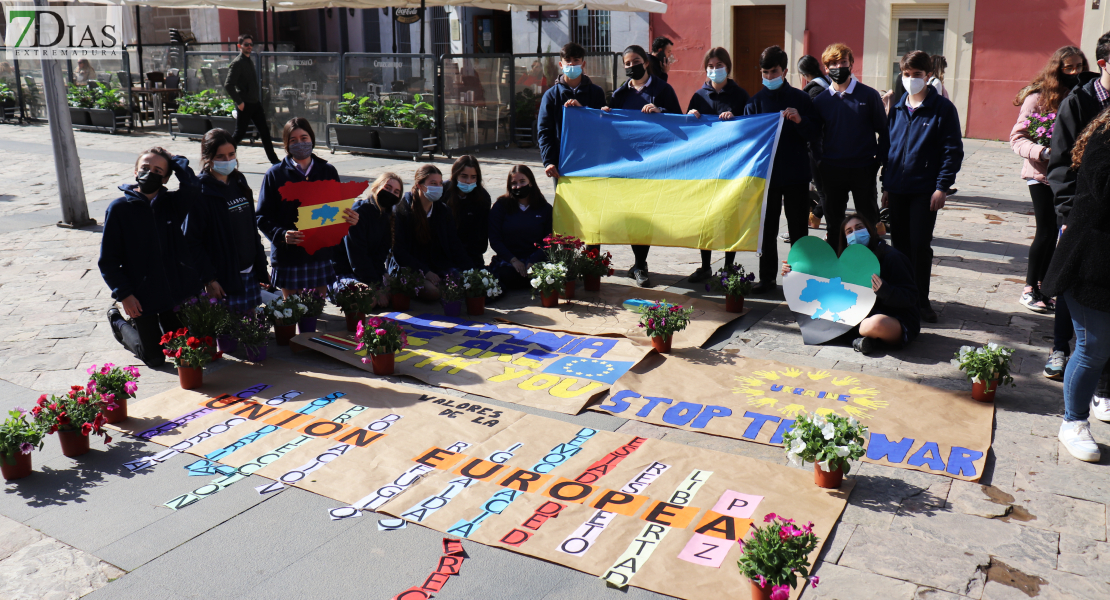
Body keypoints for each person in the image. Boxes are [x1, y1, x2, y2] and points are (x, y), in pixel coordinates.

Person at [1041, 110, 1110, 462]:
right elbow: (1102, 196)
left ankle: (1101, 397)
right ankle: (1073, 422)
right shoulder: (1105, 138)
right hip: (1090, 262)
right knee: (1092, 346)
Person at [1048, 31, 1110, 411]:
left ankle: (1104, 389)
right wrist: (1069, 216)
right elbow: (1061, 166)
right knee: (1078, 302)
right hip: (1082, 221)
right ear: (1104, 64)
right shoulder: (1080, 102)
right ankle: (1059, 348)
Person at [882, 50, 963, 324]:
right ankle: (902, 298)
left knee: (919, 246)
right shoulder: (896, 108)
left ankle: (921, 301)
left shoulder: (942, 109)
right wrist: (885, 186)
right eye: (906, 75)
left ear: (928, 76)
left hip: (924, 191)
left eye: (917, 75)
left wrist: (942, 187)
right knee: (899, 247)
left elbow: (952, 151)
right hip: (896, 189)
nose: (911, 79)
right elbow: (889, 150)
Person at [100, 148, 199, 367]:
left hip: (174, 293)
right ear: (135, 171)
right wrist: (125, 294)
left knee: (183, 351)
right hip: (142, 296)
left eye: (157, 170)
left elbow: (192, 186)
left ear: (165, 177)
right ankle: (119, 323)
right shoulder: (119, 209)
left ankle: (154, 327)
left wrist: (176, 159)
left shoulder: (172, 204)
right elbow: (108, 260)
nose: (149, 173)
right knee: (154, 358)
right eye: (145, 167)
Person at [1011, 47, 1087, 320]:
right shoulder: (1038, 99)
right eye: (1068, 67)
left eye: (1079, 66)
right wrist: (1044, 152)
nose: (1075, 72)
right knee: (1045, 230)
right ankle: (1030, 288)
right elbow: (1017, 139)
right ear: (1057, 69)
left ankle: (1045, 287)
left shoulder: (1080, 97)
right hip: (1041, 174)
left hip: (1068, 176)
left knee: (1058, 232)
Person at [782, 213, 918, 355]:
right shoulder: (848, 262)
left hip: (897, 319)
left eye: (859, 228)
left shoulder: (892, 257)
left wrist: (886, 291)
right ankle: (857, 340)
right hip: (861, 316)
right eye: (849, 231)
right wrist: (791, 271)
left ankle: (856, 338)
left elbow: (911, 297)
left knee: (872, 324)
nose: (855, 234)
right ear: (846, 239)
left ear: (870, 230)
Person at [604, 44, 683, 287]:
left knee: (646, 215)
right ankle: (639, 263)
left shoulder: (663, 89)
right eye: (627, 63)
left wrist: (661, 111)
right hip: (628, 165)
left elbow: (679, 121)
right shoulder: (619, 95)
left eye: (635, 61)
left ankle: (640, 264)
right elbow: (611, 130)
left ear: (646, 62)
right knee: (632, 215)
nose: (631, 66)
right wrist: (605, 115)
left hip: (654, 164)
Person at [743, 45, 819, 294]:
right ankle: (767, 279)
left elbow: (815, 134)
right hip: (767, 179)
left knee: (799, 229)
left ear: (785, 71)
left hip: (796, 175)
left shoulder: (802, 99)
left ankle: (800, 278)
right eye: (764, 72)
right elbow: (747, 140)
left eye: (774, 71)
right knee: (767, 231)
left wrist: (800, 120)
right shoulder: (755, 103)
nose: (769, 77)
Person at [256, 117, 357, 298]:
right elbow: (261, 217)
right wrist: (281, 234)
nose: (300, 143)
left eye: (304, 138)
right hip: (289, 257)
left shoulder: (327, 171)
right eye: (293, 140)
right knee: (294, 312)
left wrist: (349, 218)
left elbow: (336, 211)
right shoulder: (275, 174)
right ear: (286, 144)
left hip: (319, 255)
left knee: (314, 311)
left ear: (311, 139)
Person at [185, 129, 269, 316]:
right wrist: (209, 279)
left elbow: (250, 226)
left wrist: (260, 266)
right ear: (208, 157)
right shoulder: (199, 192)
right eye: (220, 156)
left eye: (231, 154)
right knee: (227, 340)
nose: (228, 160)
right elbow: (191, 241)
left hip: (249, 273)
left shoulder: (239, 181)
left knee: (251, 332)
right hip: (222, 279)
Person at [685, 47, 750, 283]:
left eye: (719, 65)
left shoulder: (741, 95)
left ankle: (729, 267)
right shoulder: (698, 96)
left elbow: (750, 126)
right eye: (710, 66)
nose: (714, 70)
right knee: (706, 218)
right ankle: (704, 266)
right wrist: (691, 116)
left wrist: (736, 120)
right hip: (705, 168)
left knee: (729, 216)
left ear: (728, 67)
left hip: (732, 167)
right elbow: (687, 130)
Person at [812, 43, 889, 244]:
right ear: (826, 69)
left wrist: (877, 162)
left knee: (869, 221)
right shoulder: (820, 101)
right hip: (832, 170)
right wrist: (821, 161)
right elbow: (814, 135)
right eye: (833, 64)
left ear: (851, 64)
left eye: (843, 62)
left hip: (863, 168)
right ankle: (837, 265)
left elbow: (884, 131)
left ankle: (871, 263)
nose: (839, 67)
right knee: (834, 224)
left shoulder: (869, 95)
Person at [393, 164, 473, 301]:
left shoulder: (443, 210)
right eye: (433, 183)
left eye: (440, 183)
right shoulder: (402, 211)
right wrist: (425, 272)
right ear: (420, 185)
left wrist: (471, 270)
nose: (438, 187)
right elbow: (399, 252)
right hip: (410, 267)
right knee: (433, 292)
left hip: (438, 265)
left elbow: (454, 243)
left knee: (466, 284)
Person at [538, 42, 607, 180]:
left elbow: (602, 127)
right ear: (561, 64)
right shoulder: (551, 95)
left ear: (583, 64)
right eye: (567, 60)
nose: (571, 64)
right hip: (562, 162)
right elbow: (545, 131)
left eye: (576, 60)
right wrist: (549, 161)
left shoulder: (596, 93)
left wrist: (583, 112)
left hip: (591, 161)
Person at [335, 172, 403, 307]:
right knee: (368, 300)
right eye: (387, 188)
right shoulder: (359, 212)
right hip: (345, 272)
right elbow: (357, 257)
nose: (391, 193)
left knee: (398, 292)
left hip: (368, 270)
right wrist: (376, 286)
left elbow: (380, 255)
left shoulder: (388, 217)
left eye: (396, 192)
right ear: (375, 188)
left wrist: (380, 281)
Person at [488, 165, 553, 290]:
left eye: (522, 181)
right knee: (506, 275)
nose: (518, 187)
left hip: (535, 258)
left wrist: (533, 260)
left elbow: (549, 240)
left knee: (547, 275)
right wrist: (513, 260)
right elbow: (495, 239)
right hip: (510, 259)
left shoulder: (544, 208)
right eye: (514, 183)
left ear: (531, 182)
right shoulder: (500, 206)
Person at [224, 34, 281, 164]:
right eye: (246, 44)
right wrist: (239, 102)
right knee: (239, 134)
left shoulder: (249, 61)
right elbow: (228, 85)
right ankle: (223, 155)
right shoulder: (237, 63)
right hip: (245, 104)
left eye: (251, 44)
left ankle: (275, 161)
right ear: (239, 46)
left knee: (265, 132)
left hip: (255, 103)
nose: (249, 47)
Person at [798, 54, 830, 230]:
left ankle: (817, 217)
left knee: (823, 190)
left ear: (803, 74)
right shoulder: (826, 85)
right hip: (826, 144)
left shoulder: (814, 91)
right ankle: (816, 215)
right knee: (824, 190)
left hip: (817, 146)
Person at [443, 155, 492, 269]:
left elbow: (481, 238)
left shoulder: (483, 198)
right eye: (464, 176)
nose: (468, 181)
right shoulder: (444, 192)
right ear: (455, 176)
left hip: (471, 255)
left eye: (473, 177)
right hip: (444, 253)